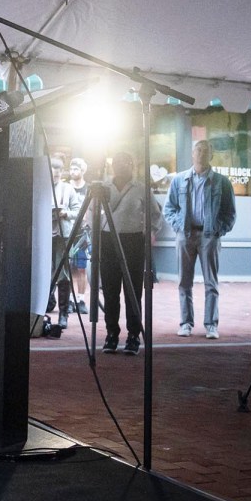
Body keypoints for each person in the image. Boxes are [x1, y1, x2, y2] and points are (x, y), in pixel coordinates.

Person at [163, 139, 236, 339]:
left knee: (211, 283)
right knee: (184, 282)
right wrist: (178, 226)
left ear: (211, 155)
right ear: (192, 154)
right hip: (185, 235)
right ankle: (186, 323)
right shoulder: (179, 180)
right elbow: (168, 208)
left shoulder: (222, 181)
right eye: (198, 150)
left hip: (209, 236)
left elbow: (230, 212)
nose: (201, 153)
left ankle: (211, 325)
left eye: (206, 151)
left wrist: (219, 230)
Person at [99, 151, 162, 354]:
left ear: (132, 165)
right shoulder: (103, 188)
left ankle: (133, 335)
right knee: (110, 290)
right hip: (108, 239)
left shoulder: (141, 189)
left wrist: (150, 232)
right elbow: (92, 213)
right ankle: (111, 334)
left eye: (125, 162)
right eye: (116, 162)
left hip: (133, 240)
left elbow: (155, 213)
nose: (120, 166)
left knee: (133, 291)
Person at [48, 157, 83, 327]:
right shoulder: (42, 187)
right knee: (45, 272)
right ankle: (45, 306)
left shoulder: (68, 188)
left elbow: (78, 210)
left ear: (62, 172)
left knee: (64, 273)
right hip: (45, 235)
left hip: (63, 235)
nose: (55, 174)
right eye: (53, 170)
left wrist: (66, 213)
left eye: (58, 171)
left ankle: (64, 313)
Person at [63, 157, 91, 316]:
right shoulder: (66, 188)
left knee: (81, 267)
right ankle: (70, 300)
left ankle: (81, 299)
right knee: (68, 267)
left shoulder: (88, 189)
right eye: (71, 169)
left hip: (82, 232)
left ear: (82, 171)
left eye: (76, 169)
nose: (73, 172)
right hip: (68, 231)